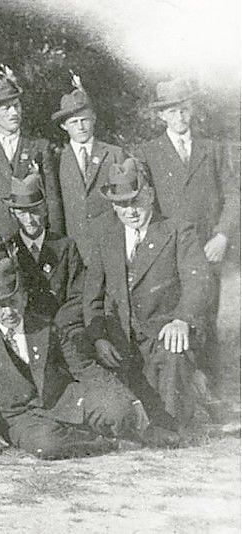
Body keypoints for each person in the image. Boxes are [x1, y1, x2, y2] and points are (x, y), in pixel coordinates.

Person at [0, 256, 174, 460]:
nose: (7, 312)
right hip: (21, 417)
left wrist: (128, 399)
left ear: (25, 297)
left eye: (12, 301)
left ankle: (141, 431)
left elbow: (85, 368)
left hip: (63, 401)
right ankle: (108, 444)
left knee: (119, 410)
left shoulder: (46, 327)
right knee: (46, 445)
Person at [82, 158, 211, 433]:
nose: (129, 211)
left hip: (163, 335)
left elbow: (198, 281)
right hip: (120, 345)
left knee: (174, 356)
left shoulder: (177, 231)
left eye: (135, 201)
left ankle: (172, 426)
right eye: (121, 204)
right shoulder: (106, 237)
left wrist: (182, 320)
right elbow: (91, 298)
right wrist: (99, 338)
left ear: (150, 195)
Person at [134, 78, 239, 388]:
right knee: (174, 315)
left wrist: (222, 235)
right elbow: (145, 200)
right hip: (169, 251)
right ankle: (179, 388)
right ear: (161, 116)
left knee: (207, 313)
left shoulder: (213, 150)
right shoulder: (149, 152)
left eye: (184, 110)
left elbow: (235, 195)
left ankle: (212, 388)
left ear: (191, 110)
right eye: (172, 112)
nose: (179, 118)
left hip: (208, 247)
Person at [0, 66, 62, 246]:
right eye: (7, 108)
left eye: (16, 106)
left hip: (34, 237)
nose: (14, 113)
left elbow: (52, 200)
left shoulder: (39, 147)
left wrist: (55, 241)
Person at [51, 74, 128, 267]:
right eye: (74, 122)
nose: (81, 127)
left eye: (84, 120)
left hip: (112, 245)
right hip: (75, 248)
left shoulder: (114, 154)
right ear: (64, 126)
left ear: (93, 119)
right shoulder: (56, 160)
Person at [0, 172, 85, 334]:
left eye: (34, 211)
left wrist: (58, 324)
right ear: (13, 214)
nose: (30, 220)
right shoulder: (7, 249)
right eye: (22, 213)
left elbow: (78, 295)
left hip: (62, 328)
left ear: (44, 209)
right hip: (24, 330)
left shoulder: (66, 246)